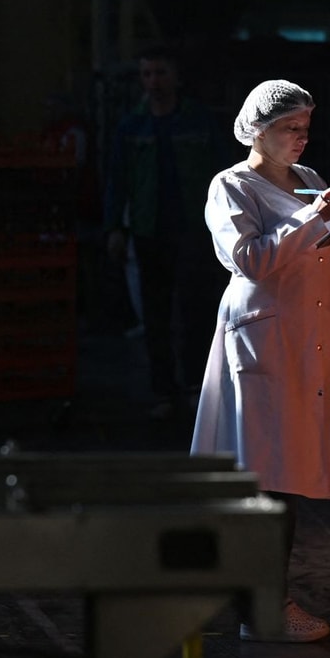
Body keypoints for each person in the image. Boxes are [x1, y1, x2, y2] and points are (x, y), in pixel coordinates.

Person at [190, 79, 330, 643]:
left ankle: (257, 596)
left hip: (308, 335)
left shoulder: (310, 182)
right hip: (262, 340)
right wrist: (311, 219)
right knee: (266, 476)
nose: (301, 139)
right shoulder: (232, 185)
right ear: (257, 129)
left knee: (286, 473)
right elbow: (250, 260)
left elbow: (323, 270)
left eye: (305, 128)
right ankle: (262, 607)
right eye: (288, 128)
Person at [104, 49, 229, 417]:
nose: (153, 82)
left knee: (197, 311)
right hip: (149, 229)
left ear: (175, 77)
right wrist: (114, 228)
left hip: (193, 230)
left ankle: (194, 385)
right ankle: (163, 389)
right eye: (146, 74)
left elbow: (222, 173)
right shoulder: (132, 127)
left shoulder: (198, 122)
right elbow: (118, 180)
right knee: (156, 315)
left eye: (159, 73)